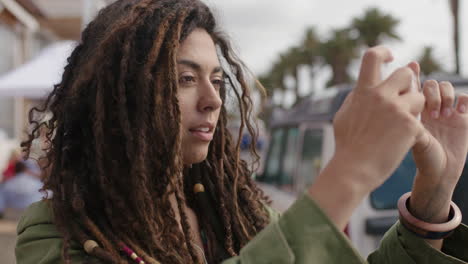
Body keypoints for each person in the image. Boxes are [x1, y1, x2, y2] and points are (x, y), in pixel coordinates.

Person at [15, 0, 468, 263]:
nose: (212, 100)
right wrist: (350, 172)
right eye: (185, 79)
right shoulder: (55, 233)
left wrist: (433, 193)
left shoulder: (240, 215)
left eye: (216, 80)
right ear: (118, 98)